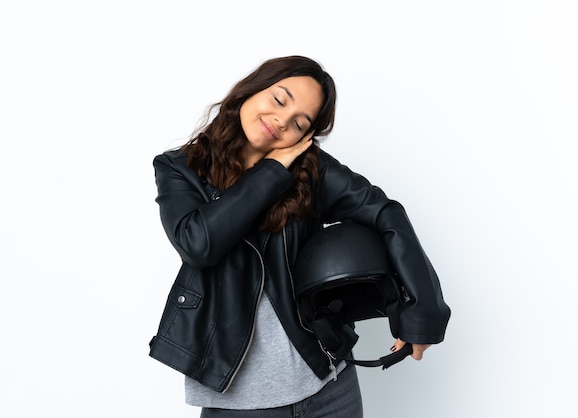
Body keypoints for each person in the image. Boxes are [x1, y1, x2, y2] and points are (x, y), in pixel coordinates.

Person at [149, 55, 451, 417]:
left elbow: (386, 213)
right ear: (251, 88)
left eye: (299, 122)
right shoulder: (180, 168)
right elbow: (198, 244)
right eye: (279, 100)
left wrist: (422, 312)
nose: (281, 121)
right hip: (237, 401)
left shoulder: (311, 170)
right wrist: (273, 170)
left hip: (329, 385)